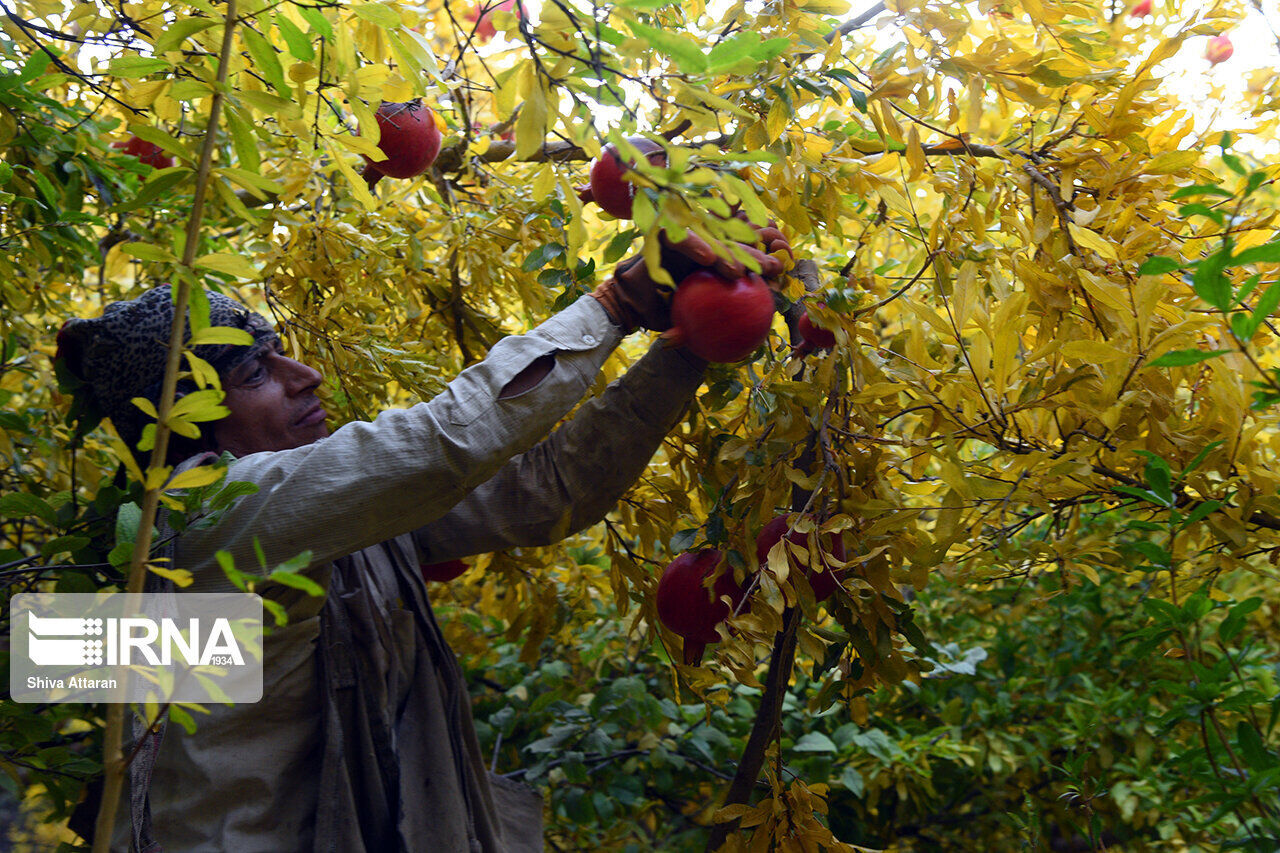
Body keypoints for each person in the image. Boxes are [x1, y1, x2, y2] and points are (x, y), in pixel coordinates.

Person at [55, 223, 792, 852]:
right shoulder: (205, 519)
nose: (305, 374)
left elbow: (548, 492)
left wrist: (687, 343)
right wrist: (615, 303)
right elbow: (440, 446)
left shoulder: (308, 527)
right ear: (183, 424)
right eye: (257, 371)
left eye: (281, 351)